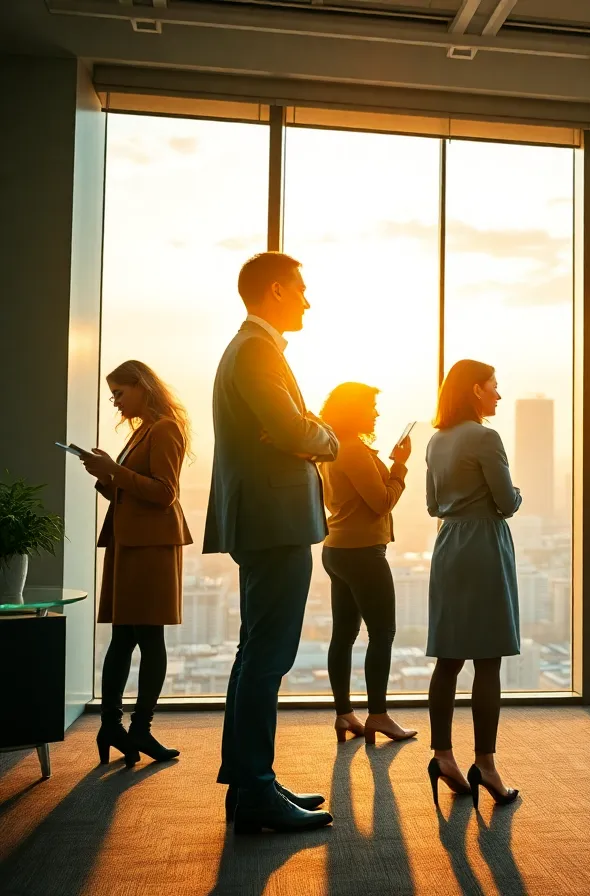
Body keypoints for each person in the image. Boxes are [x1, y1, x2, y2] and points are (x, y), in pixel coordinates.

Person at [204, 252, 338, 834]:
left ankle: (250, 783)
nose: (308, 300)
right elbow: (290, 429)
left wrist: (297, 434)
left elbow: (284, 431)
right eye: (301, 289)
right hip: (274, 520)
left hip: (265, 519)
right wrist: (326, 436)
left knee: (255, 653)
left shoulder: (252, 348)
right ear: (277, 290)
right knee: (269, 657)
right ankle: (255, 788)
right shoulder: (256, 351)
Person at [82, 360, 193, 765]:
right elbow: (131, 491)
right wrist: (106, 476)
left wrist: (114, 471)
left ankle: (138, 728)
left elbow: (165, 493)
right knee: (123, 637)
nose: (115, 402)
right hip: (129, 544)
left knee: (148, 638)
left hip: (151, 548)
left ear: (142, 386)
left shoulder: (165, 429)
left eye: (119, 393)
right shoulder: (143, 431)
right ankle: (113, 726)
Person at [424, 359, 521, 811]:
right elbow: (507, 501)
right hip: (483, 545)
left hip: (448, 546)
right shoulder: (486, 438)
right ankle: (486, 764)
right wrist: (516, 495)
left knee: (448, 658)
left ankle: (443, 755)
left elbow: (432, 505)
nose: (498, 394)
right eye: (493, 386)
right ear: (475, 390)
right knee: (487, 659)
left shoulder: (436, 440)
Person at [318, 382, 416, 745]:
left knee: (343, 635)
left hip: (336, 549)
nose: (376, 413)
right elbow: (381, 502)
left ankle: (344, 714)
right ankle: (378, 715)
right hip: (362, 552)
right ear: (353, 410)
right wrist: (400, 467)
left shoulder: (330, 448)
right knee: (382, 633)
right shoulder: (354, 451)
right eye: (370, 406)